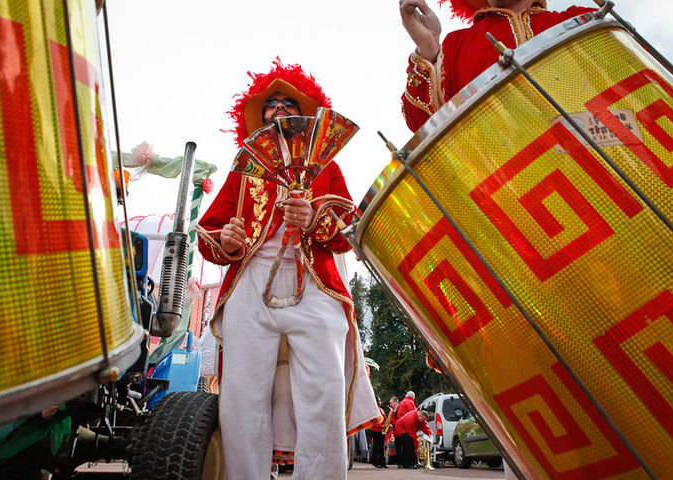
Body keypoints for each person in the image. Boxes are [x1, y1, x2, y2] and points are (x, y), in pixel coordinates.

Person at [196, 59, 380, 480]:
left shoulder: (327, 167)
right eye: (270, 104)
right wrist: (228, 241)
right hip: (250, 284)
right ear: (259, 116)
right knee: (242, 400)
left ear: (305, 115)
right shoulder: (242, 171)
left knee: (324, 395)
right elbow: (209, 230)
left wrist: (314, 216)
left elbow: (349, 225)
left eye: (287, 102)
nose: (279, 108)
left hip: (316, 285)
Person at [400, 0, 596, 132]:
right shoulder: (455, 46)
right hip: (510, 181)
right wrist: (428, 47)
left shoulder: (582, 18)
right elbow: (427, 128)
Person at [394, 392, 416, 466]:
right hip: (407, 426)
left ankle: (404, 463)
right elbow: (413, 413)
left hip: (401, 426)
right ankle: (410, 463)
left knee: (404, 446)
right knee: (409, 445)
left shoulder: (400, 403)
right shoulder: (410, 402)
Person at [369, 397, 388, 468]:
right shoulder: (374, 410)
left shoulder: (381, 409)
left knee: (382, 447)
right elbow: (374, 421)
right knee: (376, 446)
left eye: (380, 401)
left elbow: (384, 418)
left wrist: (386, 424)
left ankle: (382, 462)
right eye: (378, 401)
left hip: (381, 430)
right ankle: (376, 462)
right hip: (376, 430)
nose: (380, 402)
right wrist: (381, 426)